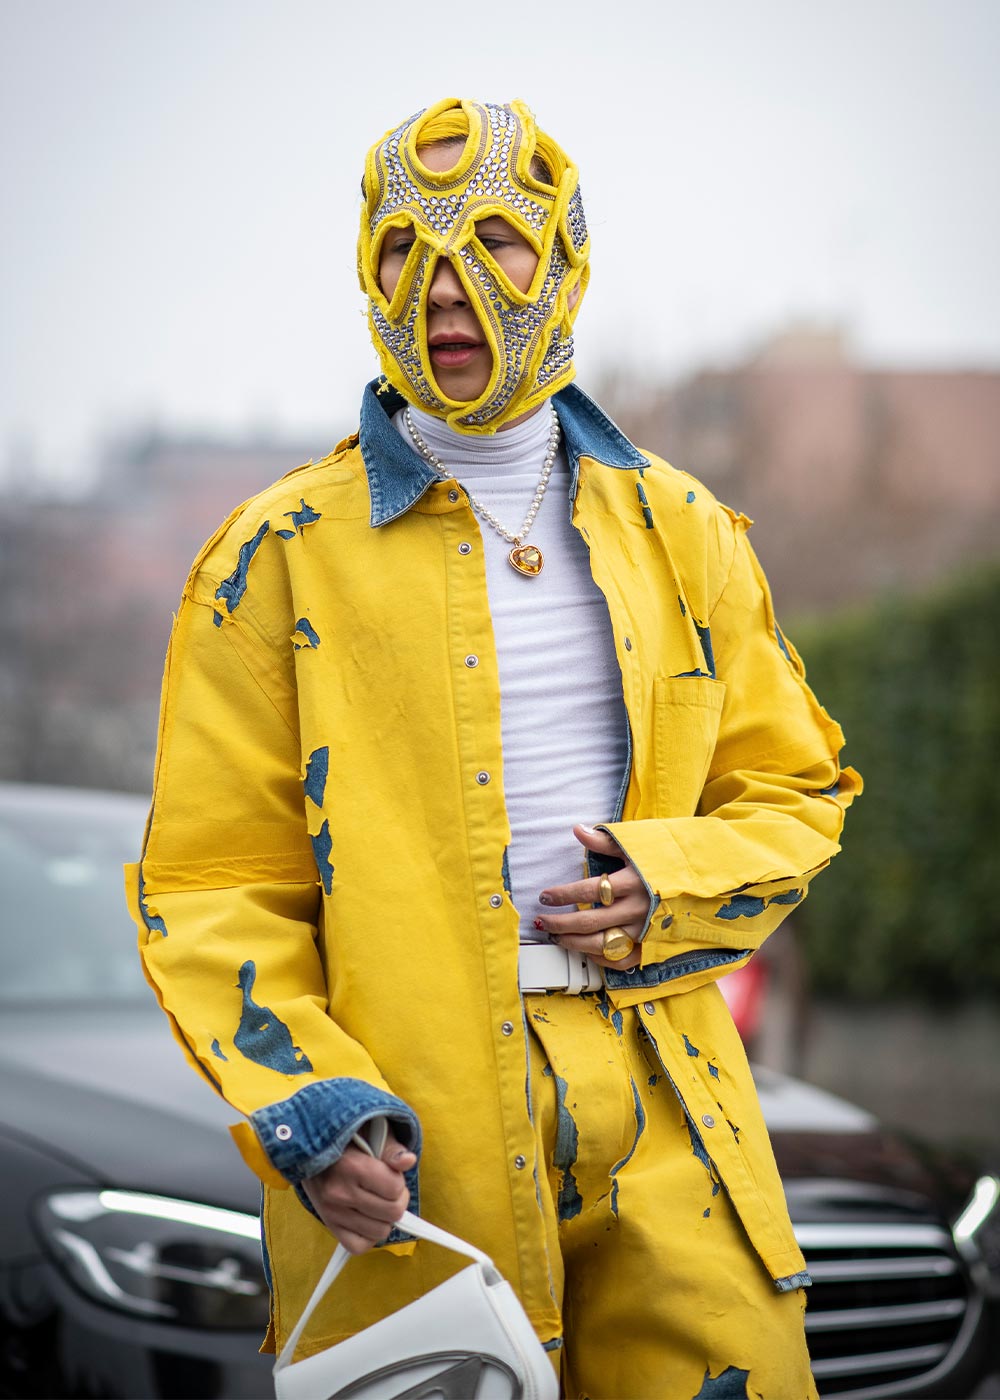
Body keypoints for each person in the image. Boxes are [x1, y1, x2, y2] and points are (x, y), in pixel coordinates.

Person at [127, 97, 861, 1399]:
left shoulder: (686, 531)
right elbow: (210, 887)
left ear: (567, 260)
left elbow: (794, 787)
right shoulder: (268, 561)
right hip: (406, 1152)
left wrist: (669, 882)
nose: (447, 284)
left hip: (671, 1108)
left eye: (499, 242)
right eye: (402, 248)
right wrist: (310, 1105)